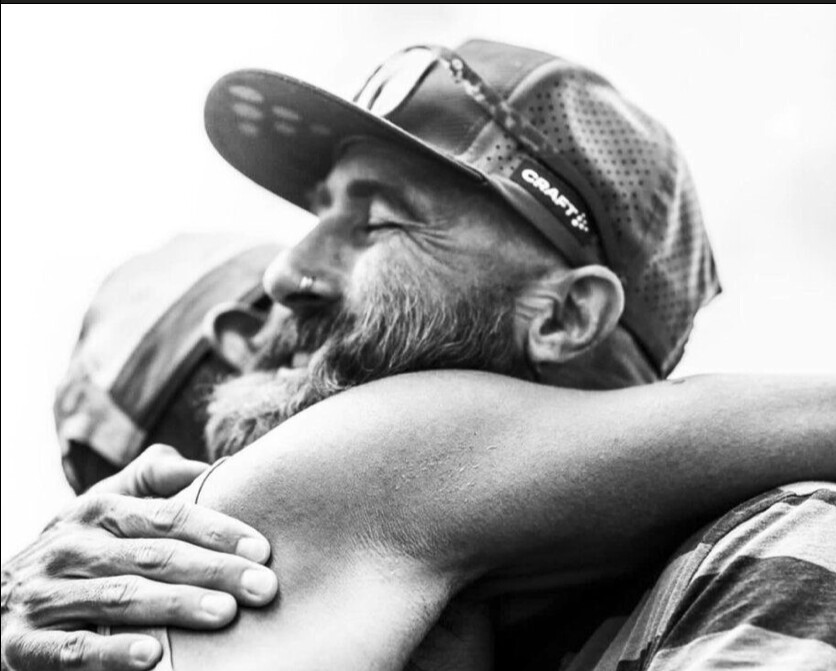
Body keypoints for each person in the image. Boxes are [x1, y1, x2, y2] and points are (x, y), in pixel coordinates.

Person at [2, 38, 835, 670]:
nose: (285, 275)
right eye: (319, 215)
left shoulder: (775, 555)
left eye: (378, 221)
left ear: (563, 316)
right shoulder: (384, 606)